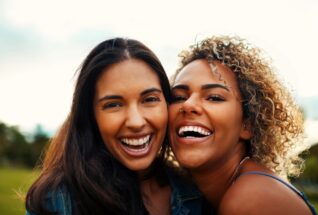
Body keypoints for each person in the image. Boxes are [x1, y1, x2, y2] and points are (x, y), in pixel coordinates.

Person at [25, 38, 209, 215]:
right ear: (91, 116)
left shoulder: (194, 190)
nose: (136, 122)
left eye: (150, 99)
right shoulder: (58, 201)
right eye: (113, 104)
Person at [168, 35, 318, 215]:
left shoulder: (250, 199)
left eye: (214, 97)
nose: (188, 105)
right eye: (179, 97)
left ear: (247, 125)